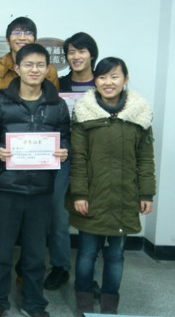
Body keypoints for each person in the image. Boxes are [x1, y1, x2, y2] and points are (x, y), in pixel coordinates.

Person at [0, 44, 70, 317]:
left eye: (40, 65)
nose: (34, 70)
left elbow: (66, 138)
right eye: (28, 64)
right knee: (1, 251)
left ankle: (34, 304)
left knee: (35, 253)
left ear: (47, 69)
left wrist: (64, 151)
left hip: (41, 189)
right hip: (5, 188)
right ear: (17, 68)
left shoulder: (58, 105)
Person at [67, 57, 156, 315]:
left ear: (125, 80)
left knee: (116, 255)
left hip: (124, 197)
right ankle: (84, 299)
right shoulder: (84, 113)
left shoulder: (139, 114)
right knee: (87, 253)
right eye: (103, 77)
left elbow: (145, 158)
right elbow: (78, 158)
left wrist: (146, 193)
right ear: (95, 81)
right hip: (91, 197)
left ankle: (109, 304)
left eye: (115, 76)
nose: (109, 82)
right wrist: (79, 194)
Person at [44, 32, 100, 291]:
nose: (76, 56)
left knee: (93, 215)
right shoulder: (59, 84)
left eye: (81, 51)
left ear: (92, 54)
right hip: (63, 157)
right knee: (58, 212)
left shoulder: (104, 84)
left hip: (95, 159)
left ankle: (89, 274)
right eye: (71, 52)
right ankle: (60, 266)